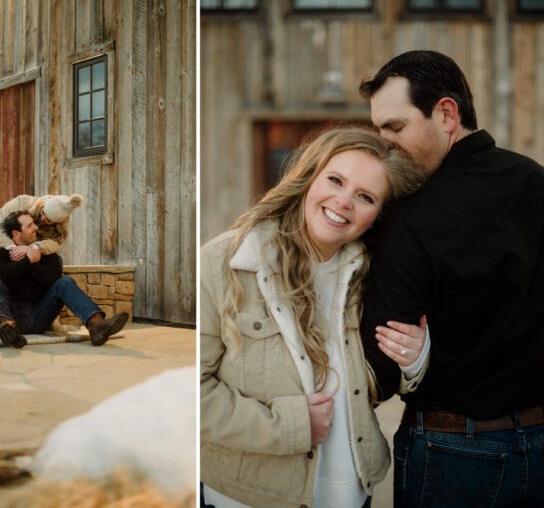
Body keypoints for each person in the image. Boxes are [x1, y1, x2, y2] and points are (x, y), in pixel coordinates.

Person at [199, 127, 429, 508]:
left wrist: (415, 357)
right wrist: (286, 426)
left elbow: (383, 382)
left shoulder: (373, 276)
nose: (343, 202)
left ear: (377, 215)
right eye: (335, 180)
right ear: (309, 178)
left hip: (352, 494)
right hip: (249, 497)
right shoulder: (227, 262)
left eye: (366, 197)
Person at [359, 50, 544, 507]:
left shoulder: (409, 218)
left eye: (396, 128)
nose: (385, 144)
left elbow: (380, 365)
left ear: (446, 114)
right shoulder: (536, 180)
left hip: (453, 454)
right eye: (379, 130)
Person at [0, 210, 128, 348]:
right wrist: (27, 261)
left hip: (39, 314)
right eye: (29, 226)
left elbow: (54, 277)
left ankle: (96, 325)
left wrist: (34, 260)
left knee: (65, 282)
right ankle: (9, 331)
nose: (36, 227)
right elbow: (0, 274)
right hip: (12, 315)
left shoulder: (42, 247)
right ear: (16, 234)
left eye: (33, 223)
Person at [0, 193, 83, 338]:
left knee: (56, 261)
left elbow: (54, 243)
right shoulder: (22, 202)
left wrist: (32, 247)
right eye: (43, 214)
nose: (42, 219)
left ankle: (51, 315)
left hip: (25, 245)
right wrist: (12, 247)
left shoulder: (59, 224)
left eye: (49, 221)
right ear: (42, 206)